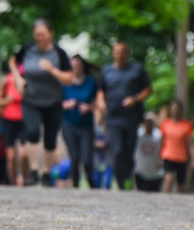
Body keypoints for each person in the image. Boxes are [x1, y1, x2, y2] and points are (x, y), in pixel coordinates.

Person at [9, 20, 73, 186]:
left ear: (50, 34)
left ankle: (46, 174)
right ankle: (33, 172)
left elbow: (69, 79)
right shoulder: (28, 49)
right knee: (32, 132)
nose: (40, 38)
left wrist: (52, 70)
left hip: (53, 103)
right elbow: (13, 61)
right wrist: (17, 77)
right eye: (37, 35)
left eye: (43, 34)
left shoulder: (59, 53)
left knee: (50, 139)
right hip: (31, 100)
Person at [96, 41, 152, 190]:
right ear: (113, 53)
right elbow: (101, 90)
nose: (119, 55)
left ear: (127, 53)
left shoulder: (137, 69)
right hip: (113, 118)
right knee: (117, 150)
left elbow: (148, 89)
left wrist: (135, 99)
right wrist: (101, 102)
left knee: (128, 151)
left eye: (122, 52)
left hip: (131, 118)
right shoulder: (106, 71)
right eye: (117, 52)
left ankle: (127, 178)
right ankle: (120, 182)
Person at [61, 54, 99, 189]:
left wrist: (89, 107)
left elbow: (98, 101)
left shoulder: (91, 82)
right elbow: (56, 103)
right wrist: (65, 104)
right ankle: (75, 186)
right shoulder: (65, 81)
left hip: (86, 126)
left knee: (87, 159)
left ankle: (91, 182)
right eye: (73, 66)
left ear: (82, 66)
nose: (75, 68)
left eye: (77, 65)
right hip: (69, 124)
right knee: (74, 157)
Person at [0, 60, 30, 186]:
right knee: (10, 156)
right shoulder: (7, 81)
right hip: (9, 121)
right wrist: (8, 101)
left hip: (24, 121)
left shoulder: (29, 82)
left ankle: (25, 180)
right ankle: (13, 183)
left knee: (24, 154)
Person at [160, 100, 194, 193]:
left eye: (177, 109)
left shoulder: (187, 125)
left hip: (181, 157)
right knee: (169, 178)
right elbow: (161, 141)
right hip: (168, 155)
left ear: (181, 110)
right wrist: (158, 156)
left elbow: (191, 144)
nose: (175, 111)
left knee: (181, 184)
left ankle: (179, 203)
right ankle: (165, 199)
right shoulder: (165, 124)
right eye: (173, 109)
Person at [134, 112, 163, 192]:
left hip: (155, 174)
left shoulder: (159, 135)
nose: (149, 124)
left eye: (151, 122)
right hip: (140, 172)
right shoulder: (138, 134)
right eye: (147, 122)